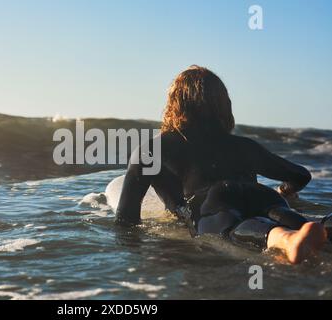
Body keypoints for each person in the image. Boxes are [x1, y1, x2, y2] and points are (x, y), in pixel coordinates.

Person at [115, 65, 331, 264]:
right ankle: (320, 229)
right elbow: (301, 175)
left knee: (233, 229)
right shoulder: (244, 145)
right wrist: (284, 191)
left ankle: (286, 239)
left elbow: (126, 219)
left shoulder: (152, 149)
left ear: (174, 104)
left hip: (213, 201)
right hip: (262, 194)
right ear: (224, 106)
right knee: (294, 220)